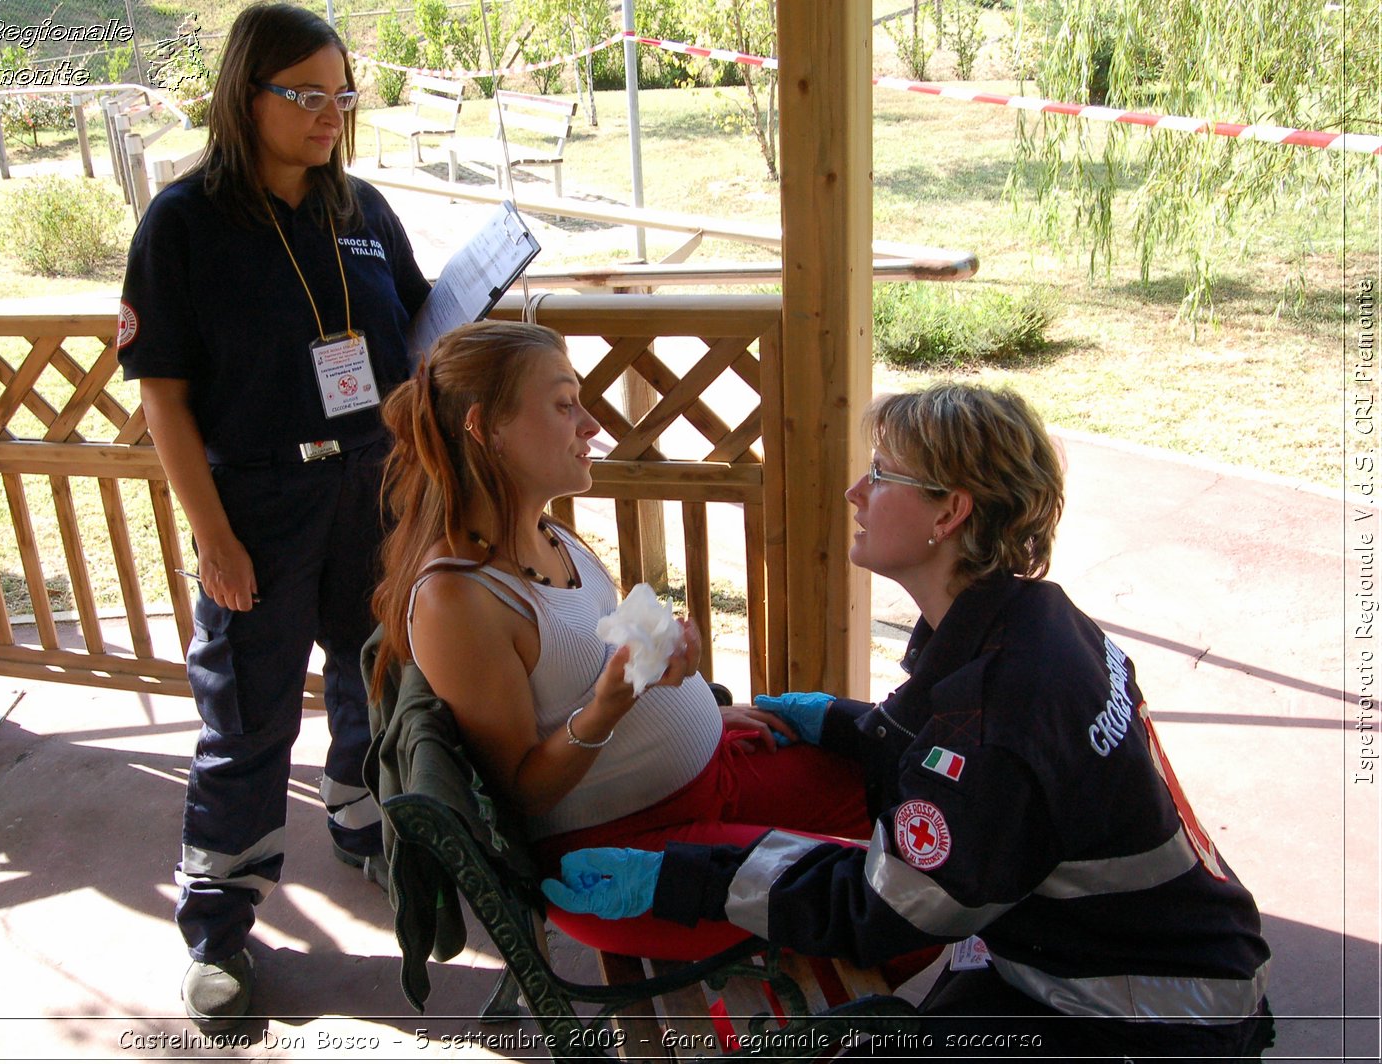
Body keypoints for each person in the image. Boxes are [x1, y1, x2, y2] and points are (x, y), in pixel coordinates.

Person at [543, 382, 1275, 1059]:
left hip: (1144, 1011)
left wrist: (684, 880)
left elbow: (883, 908)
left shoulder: (995, 715)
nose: (856, 491)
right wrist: (833, 721)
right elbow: (935, 749)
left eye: (882, 475)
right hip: (1104, 950)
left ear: (949, 513)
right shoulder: (1028, 620)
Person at [368, 319, 879, 964]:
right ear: (485, 428)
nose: (591, 425)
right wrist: (616, 696)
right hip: (631, 858)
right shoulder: (459, 599)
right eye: (564, 404)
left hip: (710, 774)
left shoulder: (554, 537)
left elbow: (593, 666)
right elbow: (525, 789)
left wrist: (698, 705)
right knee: (877, 897)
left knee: (893, 796)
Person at [117, 3, 430, 1032]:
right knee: (248, 710)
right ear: (243, 95)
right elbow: (161, 392)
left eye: (343, 94)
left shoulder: (365, 212)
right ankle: (218, 924)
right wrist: (214, 537)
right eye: (305, 94)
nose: (329, 113)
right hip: (257, 496)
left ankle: (362, 818)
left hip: (374, 486)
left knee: (375, 668)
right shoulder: (185, 223)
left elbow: (420, 332)